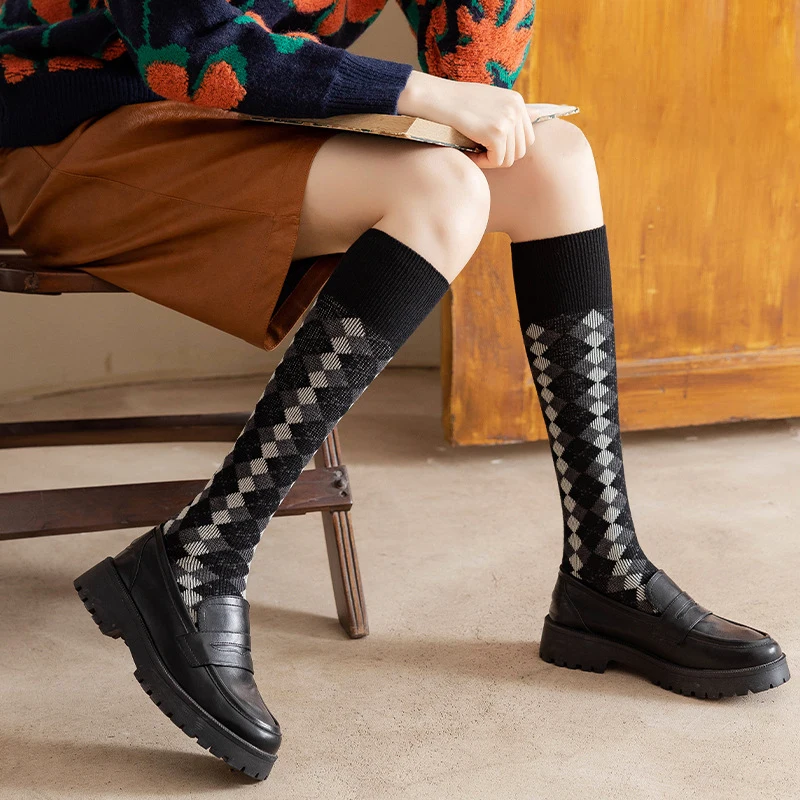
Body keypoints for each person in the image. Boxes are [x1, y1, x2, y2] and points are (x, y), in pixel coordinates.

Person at [0, 0, 789, 783]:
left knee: (555, 160)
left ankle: (604, 568)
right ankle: (201, 552)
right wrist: (425, 95)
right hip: (67, 123)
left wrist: (463, 88)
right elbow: (189, 46)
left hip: (244, 119)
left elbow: (479, 81)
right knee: (439, 190)